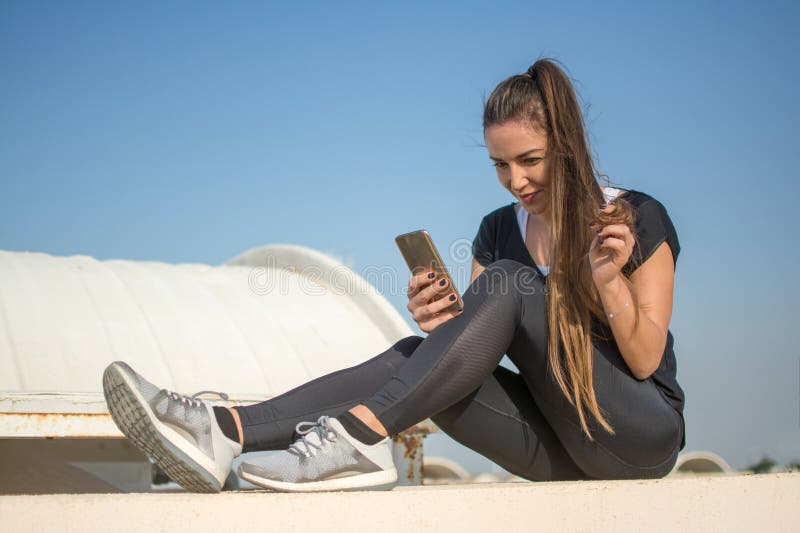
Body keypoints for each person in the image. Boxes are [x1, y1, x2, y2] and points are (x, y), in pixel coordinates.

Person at [102, 58, 685, 493]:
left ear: (566, 148)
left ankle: (354, 439)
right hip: (558, 449)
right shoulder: (496, 230)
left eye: (529, 160)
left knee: (508, 282)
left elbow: (642, 360)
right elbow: (483, 357)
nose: (515, 180)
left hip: (637, 437)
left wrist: (608, 279)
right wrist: (446, 324)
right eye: (499, 165)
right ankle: (224, 429)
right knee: (420, 356)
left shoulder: (631, 218)